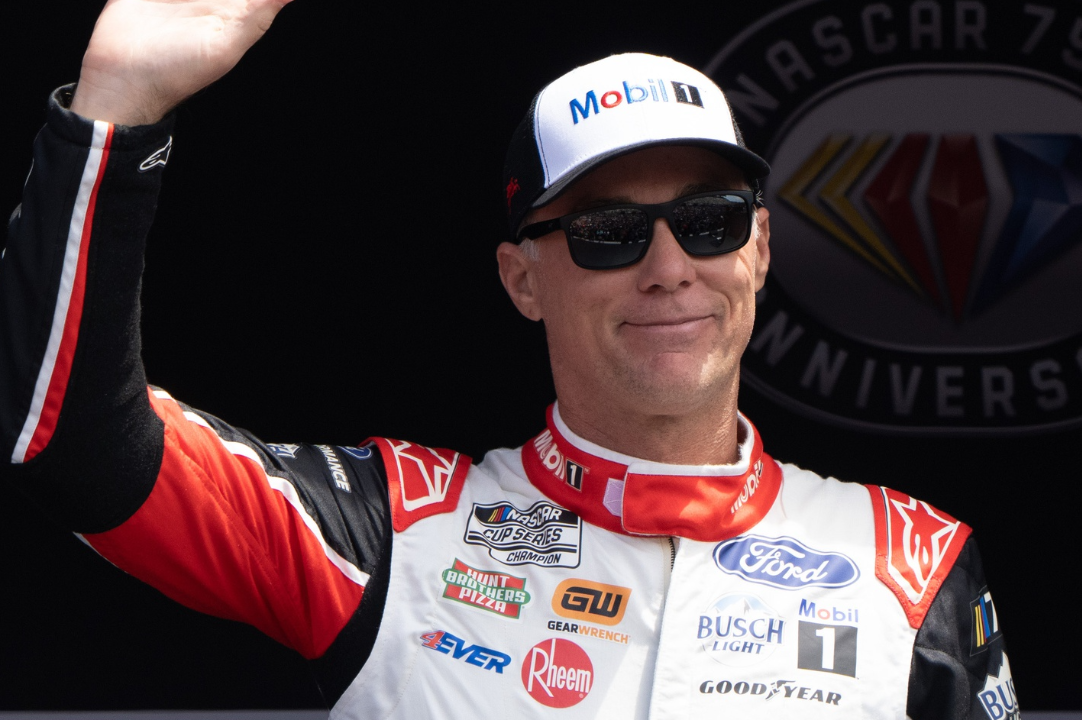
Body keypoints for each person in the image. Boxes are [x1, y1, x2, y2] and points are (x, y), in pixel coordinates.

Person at [0, 1, 1017, 718]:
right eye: (608, 234)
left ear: (755, 248)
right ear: (521, 279)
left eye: (707, 223)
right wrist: (116, 104)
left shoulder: (909, 561)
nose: (668, 268)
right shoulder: (392, 537)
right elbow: (77, 444)